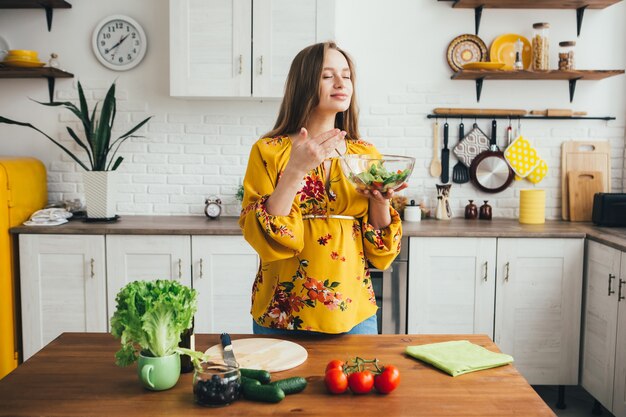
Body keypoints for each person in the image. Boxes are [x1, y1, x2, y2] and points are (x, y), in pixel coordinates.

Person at [239, 41, 406, 335]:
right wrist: (296, 168)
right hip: (281, 312)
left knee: (357, 382)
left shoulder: (364, 153)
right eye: (328, 75)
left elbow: (380, 250)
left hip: (353, 313)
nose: (342, 82)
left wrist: (381, 201)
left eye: (346, 75)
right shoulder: (269, 151)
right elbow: (259, 233)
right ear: (305, 83)